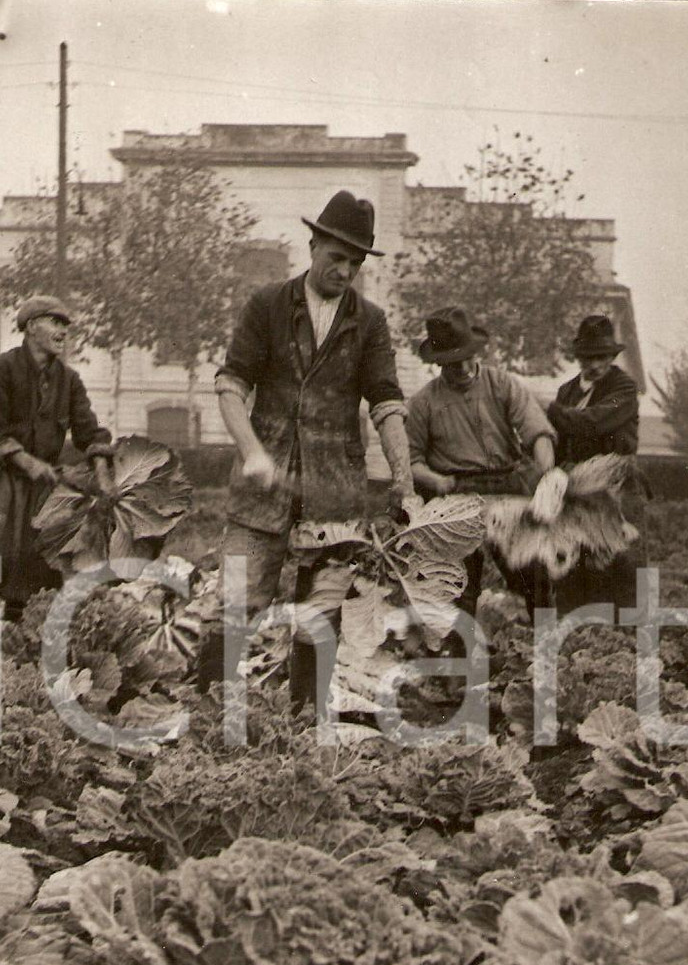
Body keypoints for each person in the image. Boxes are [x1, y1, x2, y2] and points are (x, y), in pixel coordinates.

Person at [205, 189, 418, 708]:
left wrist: (403, 479)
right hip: (261, 494)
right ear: (313, 245)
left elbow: (387, 403)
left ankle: (303, 727)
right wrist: (252, 450)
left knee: (319, 616)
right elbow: (231, 385)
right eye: (336, 256)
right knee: (235, 603)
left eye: (355, 262)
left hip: (334, 494)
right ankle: (207, 718)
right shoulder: (267, 305)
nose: (345, 270)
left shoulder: (369, 323)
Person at [0, 295, 115, 663]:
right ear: (31, 326)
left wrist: (102, 473)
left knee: (30, 567)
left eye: (67, 326)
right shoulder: (1, 369)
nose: (64, 331)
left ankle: (13, 644)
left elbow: (88, 431)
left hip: (38, 487)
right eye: (56, 323)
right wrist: (28, 462)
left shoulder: (69, 381)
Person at [406, 306, 558, 623]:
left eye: (466, 358)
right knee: (457, 583)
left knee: (535, 574)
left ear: (476, 352)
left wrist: (548, 474)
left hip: (506, 488)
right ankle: (455, 656)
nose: (461, 367)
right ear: (438, 363)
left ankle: (542, 651)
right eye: (450, 363)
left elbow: (537, 432)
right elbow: (412, 461)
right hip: (456, 494)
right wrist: (435, 481)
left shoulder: (502, 385)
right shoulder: (423, 402)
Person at [545, 313, 644, 612]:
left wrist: (550, 410)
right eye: (588, 357)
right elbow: (561, 444)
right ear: (579, 358)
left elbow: (593, 423)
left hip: (616, 487)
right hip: (576, 490)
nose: (595, 365)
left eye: (602, 357)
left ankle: (626, 639)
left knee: (620, 564)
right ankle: (576, 633)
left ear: (612, 356)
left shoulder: (624, 389)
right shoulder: (567, 392)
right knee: (573, 562)